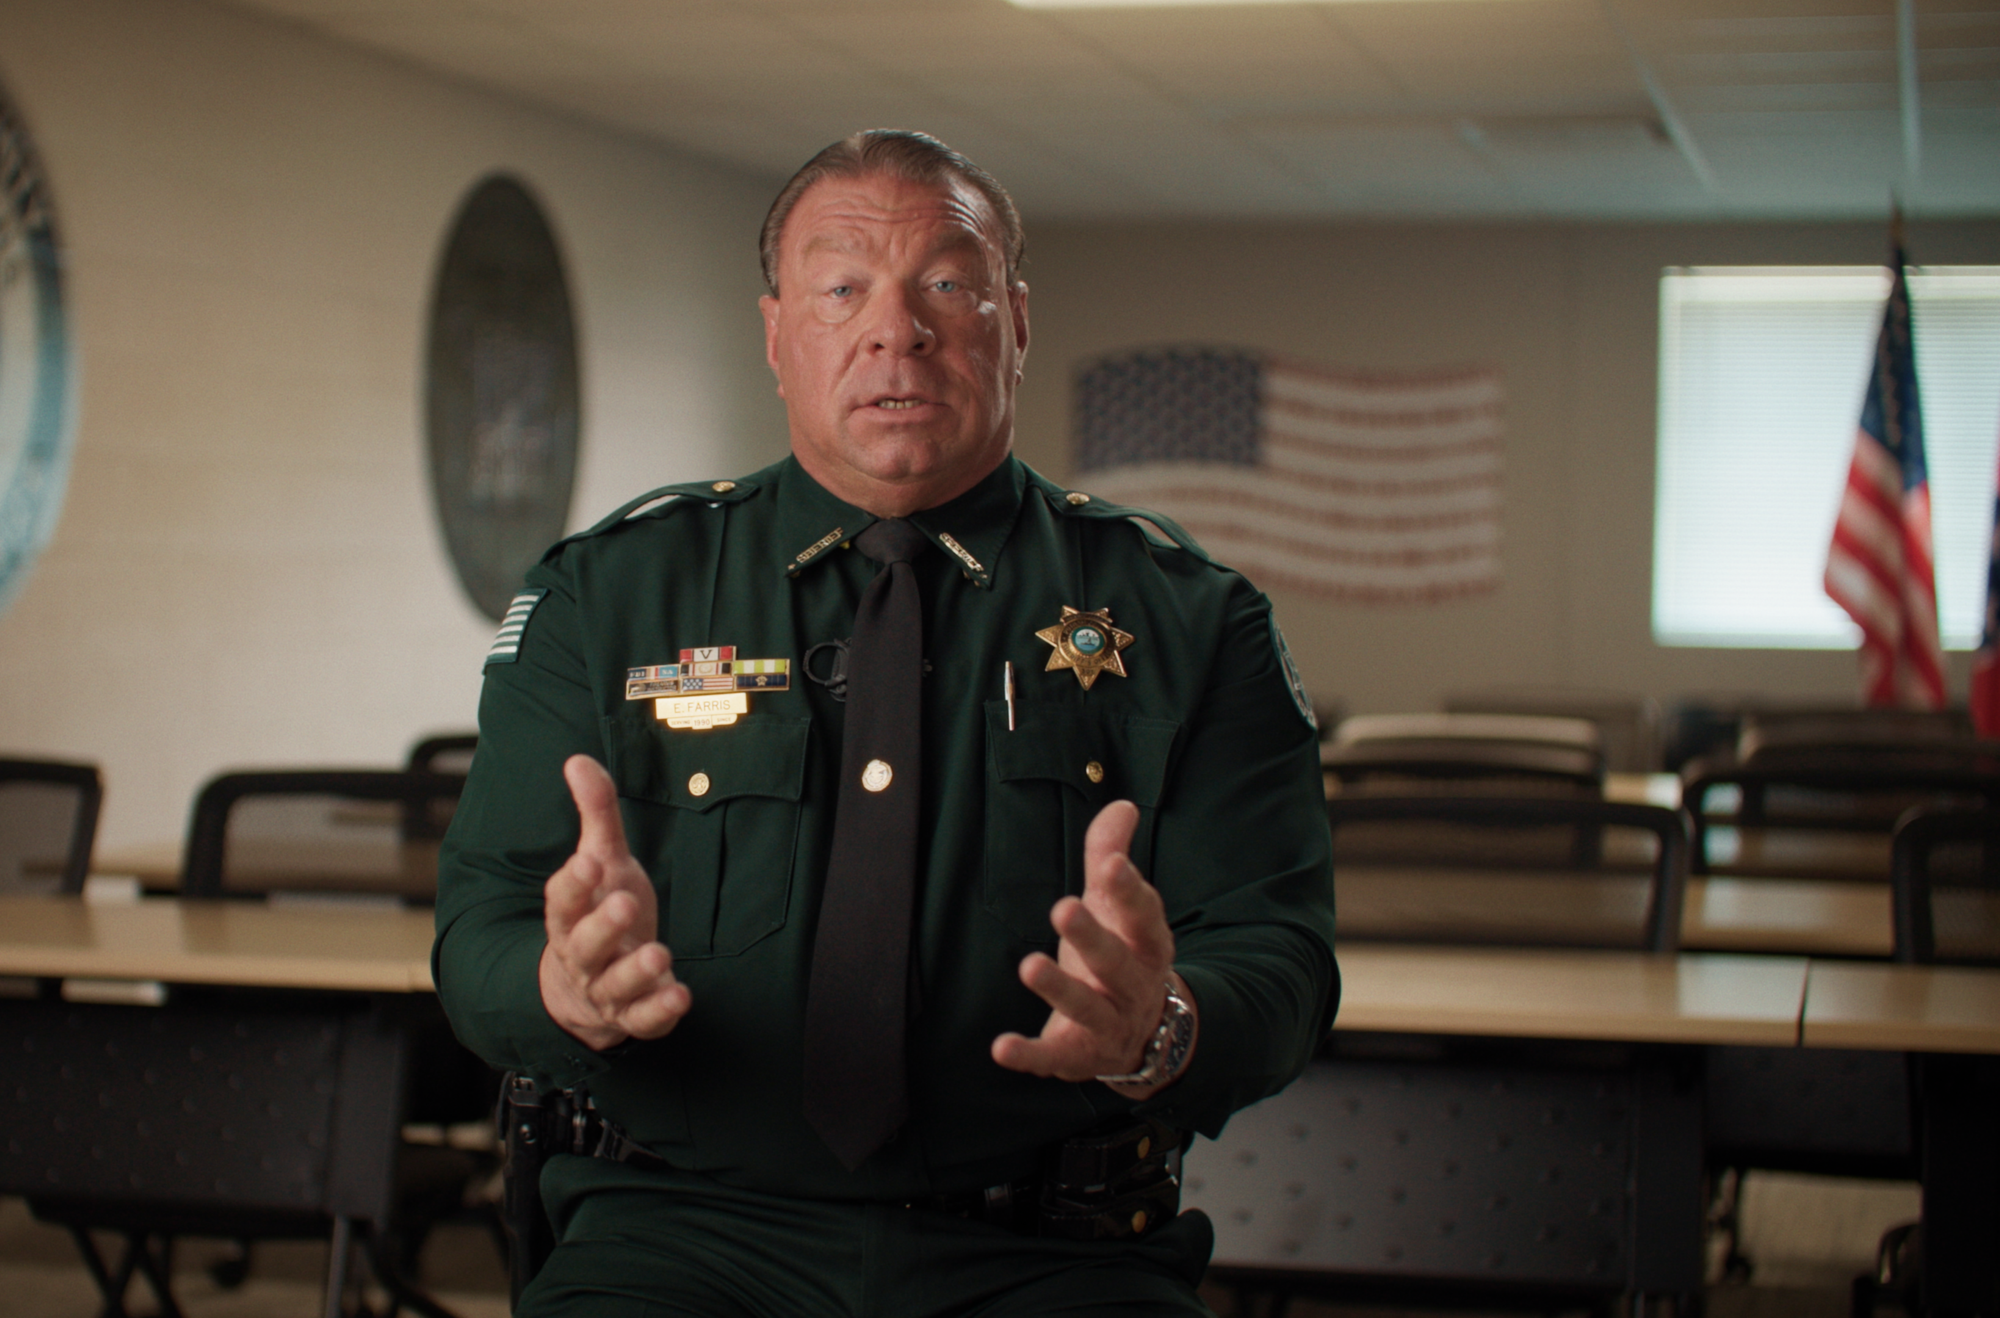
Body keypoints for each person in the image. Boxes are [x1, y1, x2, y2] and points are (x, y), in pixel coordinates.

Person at [434, 129, 1337, 1317]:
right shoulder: (606, 599)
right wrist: (561, 987)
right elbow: (478, 932)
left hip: (1056, 1253)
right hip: (676, 1238)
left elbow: (1281, 961)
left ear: (1015, 321)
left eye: (947, 285)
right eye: (842, 288)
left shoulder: (1188, 617)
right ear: (776, 337)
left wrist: (1157, 1028)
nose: (895, 329)